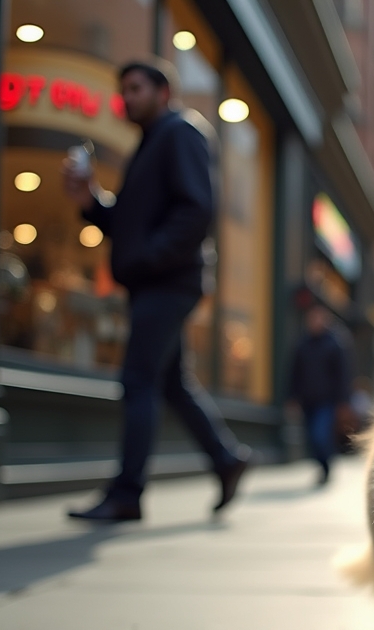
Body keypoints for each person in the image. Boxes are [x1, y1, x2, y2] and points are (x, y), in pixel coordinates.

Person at [63, 60, 250, 521]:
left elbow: (196, 209)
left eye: (136, 88)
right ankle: (227, 459)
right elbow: (130, 223)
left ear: (163, 92)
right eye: (122, 90)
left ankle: (127, 494)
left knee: (138, 379)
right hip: (159, 280)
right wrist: (91, 202)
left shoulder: (180, 132)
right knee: (170, 383)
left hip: (168, 282)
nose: (127, 97)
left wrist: (147, 259)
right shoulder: (151, 143)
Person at [290, 304, 351, 485]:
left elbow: (343, 375)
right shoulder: (302, 345)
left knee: (320, 434)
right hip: (307, 400)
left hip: (327, 401)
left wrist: (343, 402)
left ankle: (326, 466)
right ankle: (322, 464)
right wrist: (292, 397)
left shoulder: (335, 344)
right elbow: (294, 373)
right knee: (311, 437)